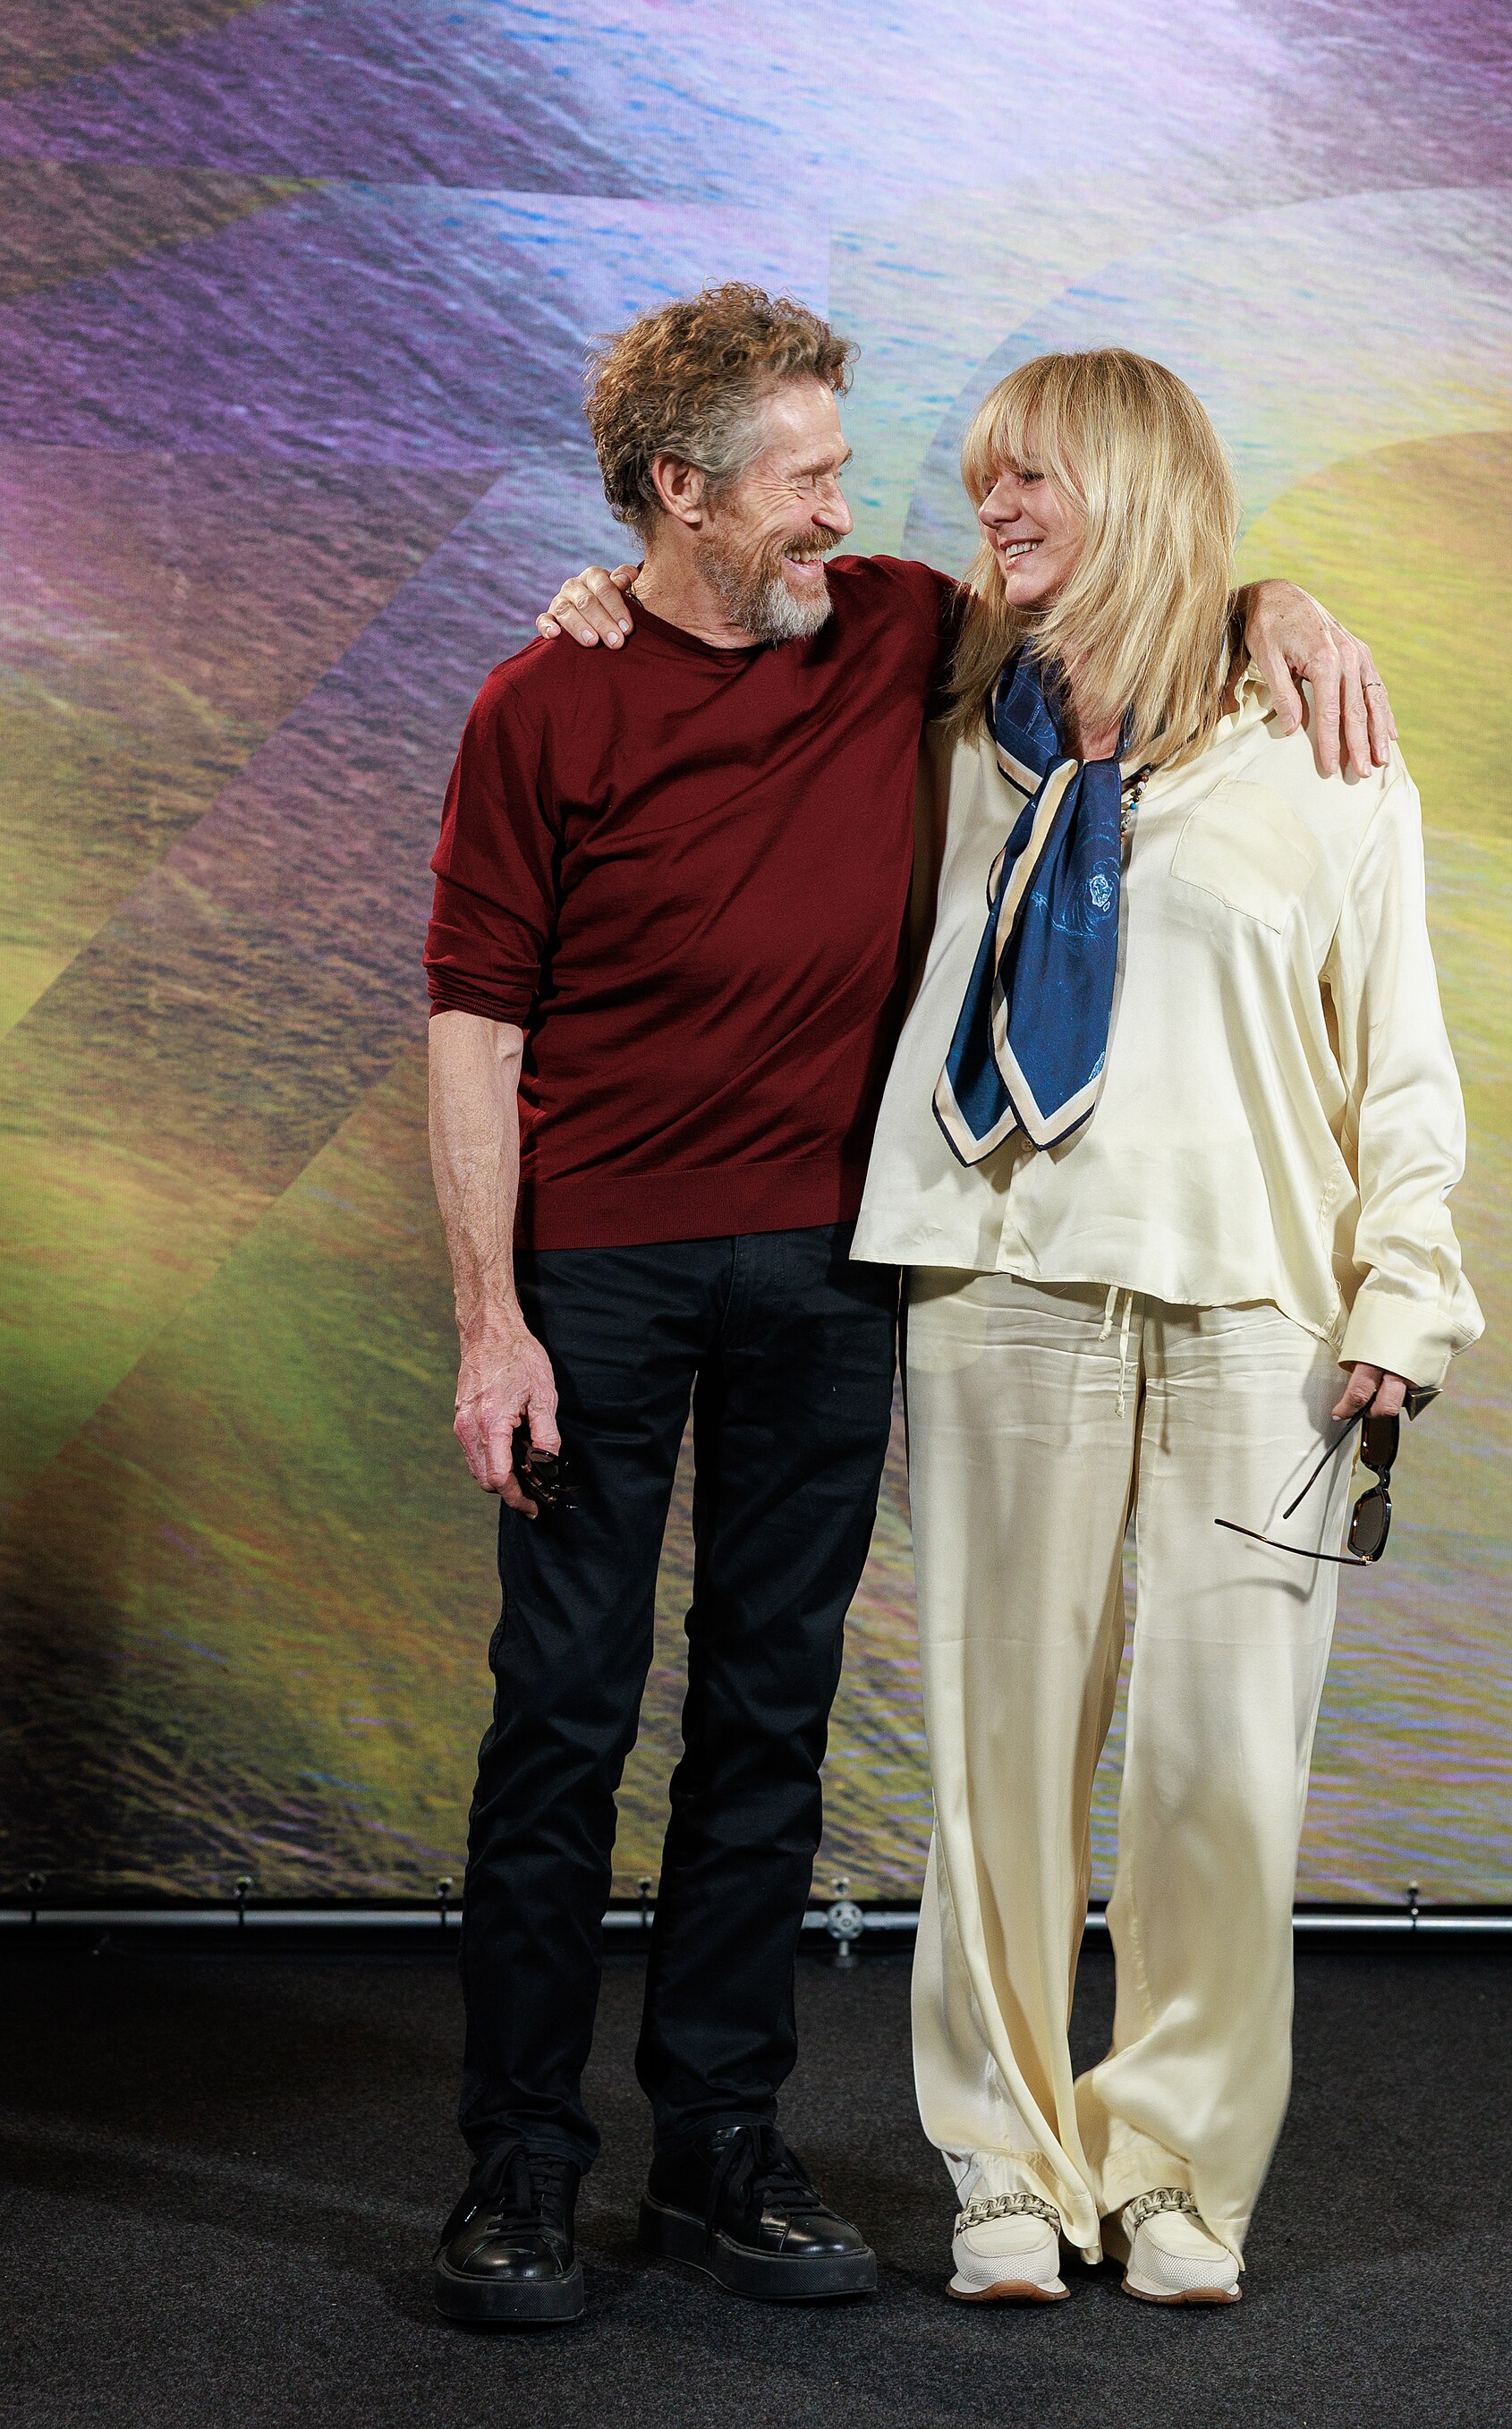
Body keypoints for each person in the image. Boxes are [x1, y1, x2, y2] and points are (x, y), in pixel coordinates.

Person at [427, 283, 1395, 2329]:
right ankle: (521, 2161)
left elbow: (1140, 586)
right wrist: (489, 1317)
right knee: (564, 1723)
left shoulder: (888, 637)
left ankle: (719, 2146)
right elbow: (471, 1020)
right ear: (681, 497)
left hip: (834, 1268)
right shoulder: (552, 696)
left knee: (768, 1724)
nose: (852, 517)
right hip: (599, 1272)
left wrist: (1280, 599)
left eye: (854, 482)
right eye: (806, 482)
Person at [846, 347, 1482, 2308]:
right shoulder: (955, 721)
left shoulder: (1323, 744)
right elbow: (747, 620)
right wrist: (597, 595)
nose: (994, 518)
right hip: (998, 1286)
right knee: (997, 1764)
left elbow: (1402, 1059)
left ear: (1134, 484)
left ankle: (1184, 2171)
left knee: (1223, 1771)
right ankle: (1009, 2170)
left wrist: (1406, 1288)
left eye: (1029, 481)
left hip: (1256, 1313)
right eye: (980, 489)